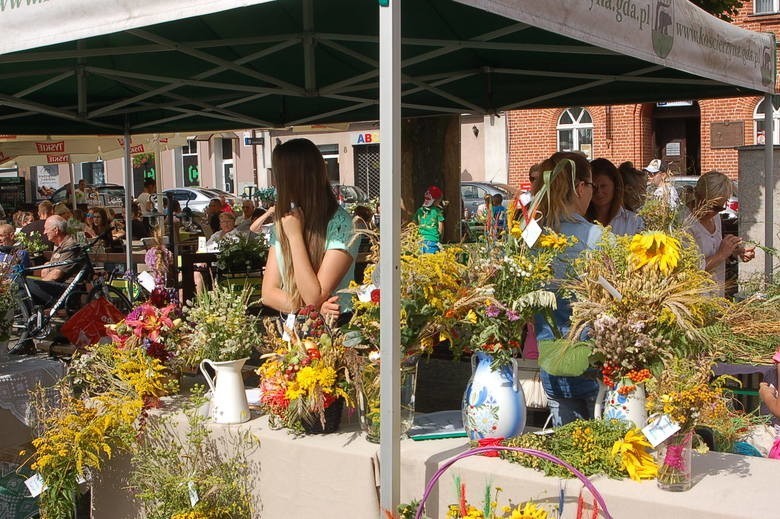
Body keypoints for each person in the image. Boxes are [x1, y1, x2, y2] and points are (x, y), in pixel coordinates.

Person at [533, 151, 602, 427]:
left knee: (568, 451)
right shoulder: (596, 238)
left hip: (551, 361)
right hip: (591, 361)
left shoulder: (533, 237)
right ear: (581, 187)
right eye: (592, 187)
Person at [261, 138, 359, 324]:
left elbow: (313, 296)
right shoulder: (285, 221)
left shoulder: (341, 224)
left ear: (295, 178)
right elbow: (268, 294)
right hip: (295, 327)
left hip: (336, 329)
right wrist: (313, 309)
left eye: (279, 176)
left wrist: (295, 236)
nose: (274, 183)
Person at [682, 171, 754, 298]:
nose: (711, 212)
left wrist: (733, 251)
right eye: (708, 205)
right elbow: (690, 270)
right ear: (698, 196)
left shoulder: (715, 218)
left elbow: (714, 249)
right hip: (693, 300)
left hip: (715, 296)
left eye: (718, 208)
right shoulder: (683, 222)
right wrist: (722, 254)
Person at [22, 215, 80, 308]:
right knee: (22, 283)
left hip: (65, 291)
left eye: (46, 229)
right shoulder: (60, 245)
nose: (44, 232)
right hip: (58, 287)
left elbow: (56, 274)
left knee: (26, 284)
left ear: (56, 230)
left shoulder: (70, 246)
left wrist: (40, 283)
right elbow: (48, 269)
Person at [586, 158, 643, 235]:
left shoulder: (634, 221)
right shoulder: (581, 220)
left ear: (615, 186)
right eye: (594, 187)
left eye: (603, 186)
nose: (598, 192)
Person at [414, 185, 445, 254]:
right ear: (435, 200)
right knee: (432, 262)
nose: (439, 202)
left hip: (420, 241)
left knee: (421, 262)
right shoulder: (437, 212)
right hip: (433, 241)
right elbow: (441, 227)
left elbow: (414, 224)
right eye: (439, 200)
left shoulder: (419, 211)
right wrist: (440, 238)